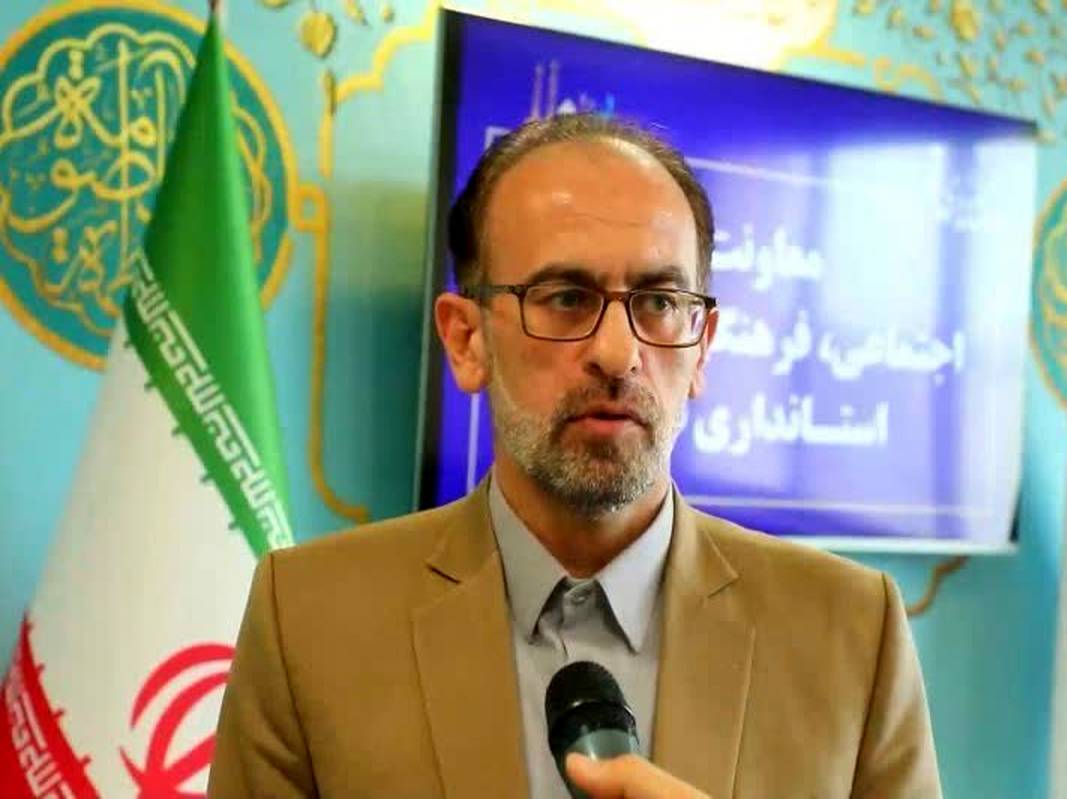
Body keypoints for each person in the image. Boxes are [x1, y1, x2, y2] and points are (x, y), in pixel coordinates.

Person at [207, 113, 942, 798]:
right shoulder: (309, 621)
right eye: (565, 297)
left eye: (659, 302)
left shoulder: (852, 633)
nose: (619, 354)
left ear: (703, 348)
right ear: (466, 339)